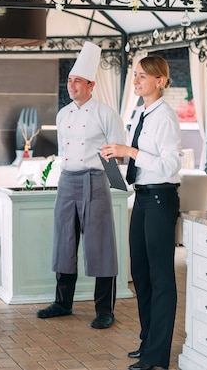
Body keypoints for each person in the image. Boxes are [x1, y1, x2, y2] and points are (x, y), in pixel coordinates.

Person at [36, 41, 125, 330]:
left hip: (95, 181)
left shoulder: (105, 113)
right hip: (67, 181)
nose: (71, 85)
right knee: (64, 242)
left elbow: (118, 150)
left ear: (91, 84)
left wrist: (116, 179)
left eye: (77, 81)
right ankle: (62, 303)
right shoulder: (63, 115)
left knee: (101, 246)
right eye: (70, 80)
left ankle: (104, 310)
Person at [101, 55, 181, 370]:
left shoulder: (166, 117)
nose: (136, 81)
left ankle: (156, 356)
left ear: (160, 81)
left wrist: (130, 151)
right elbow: (146, 162)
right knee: (141, 276)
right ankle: (148, 342)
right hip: (144, 199)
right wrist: (116, 156)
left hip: (161, 200)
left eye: (142, 76)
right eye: (135, 75)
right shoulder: (143, 114)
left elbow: (170, 165)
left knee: (161, 278)